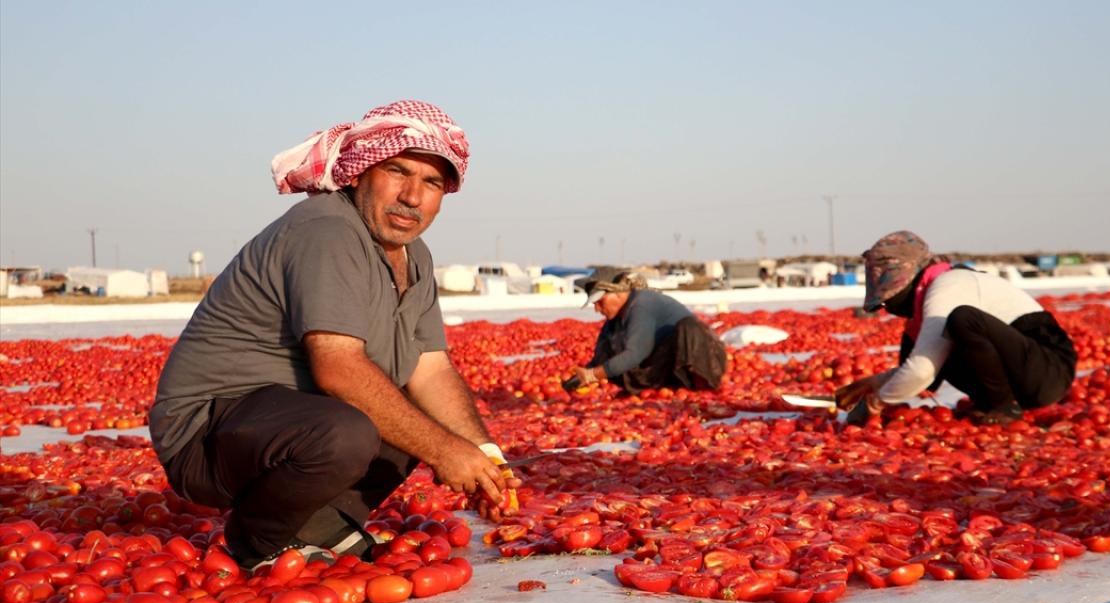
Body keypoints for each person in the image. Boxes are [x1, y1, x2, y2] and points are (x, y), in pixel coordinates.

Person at [150, 100, 518, 571]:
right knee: (351, 430)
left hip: (282, 422)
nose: (412, 196)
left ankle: (323, 523)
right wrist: (445, 451)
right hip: (208, 435)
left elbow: (431, 368)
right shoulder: (328, 231)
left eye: (430, 182)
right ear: (359, 173)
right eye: (397, 171)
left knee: (406, 408)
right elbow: (338, 368)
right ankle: (255, 538)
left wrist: (485, 462)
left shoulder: (415, 256)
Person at [836, 231, 1077, 425]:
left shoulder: (949, 285)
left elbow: (922, 372)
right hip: (1025, 372)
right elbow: (926, 373)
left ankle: (1003, 407)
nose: (887, 306)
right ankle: (997, 403)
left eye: (887, 298)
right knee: (936, 336)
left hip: (1049, 369)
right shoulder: (931, 300)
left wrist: (874, 405)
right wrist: (870, 384)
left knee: (963, 320)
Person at [567, 272, 727, 394]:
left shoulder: (641, 304)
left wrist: (594, 375)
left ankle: (703, 391)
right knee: (611, 347)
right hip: (664, 363)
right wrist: (572, 384)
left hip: (697, 358)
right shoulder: (615, 319)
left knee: (689, 328)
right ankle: (665, 389)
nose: (597, 309)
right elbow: (599, 359)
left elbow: (636, 354)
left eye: (600, 302)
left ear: (619, 293)